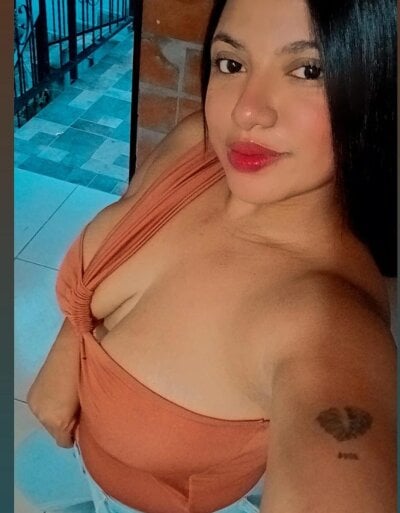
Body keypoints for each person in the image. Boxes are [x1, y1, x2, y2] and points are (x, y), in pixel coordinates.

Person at [21, 0, 396, 512]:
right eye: (232, 63)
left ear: (374, 86)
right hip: (88, 465)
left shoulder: (325, 320)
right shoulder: (197, 144)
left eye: (308, 70)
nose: (246, 111)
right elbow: (115, 248)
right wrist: (67, 352)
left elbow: (339, 440)